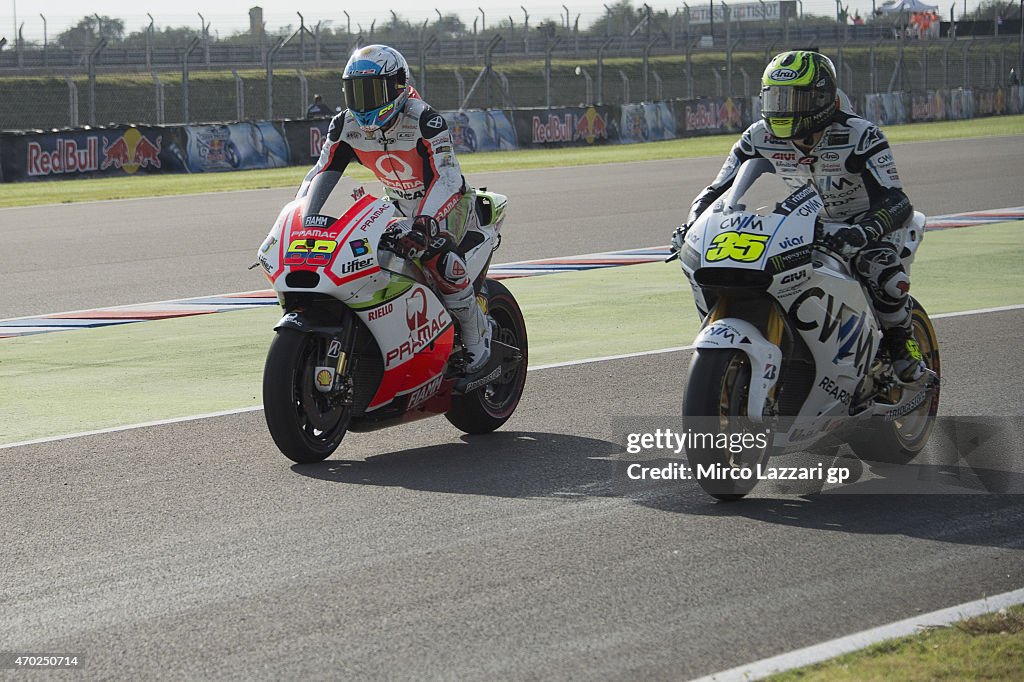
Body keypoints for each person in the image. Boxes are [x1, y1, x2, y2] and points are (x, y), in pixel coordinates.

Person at [671, 51, 925, 382]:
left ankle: (904, 345)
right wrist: (693, 223)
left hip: (865, 225)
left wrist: (863, 232)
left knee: (884, 275)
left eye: (793, 98)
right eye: (775, 97)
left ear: (821, 97)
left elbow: (896, 200)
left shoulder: (861, 135)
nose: (783, 108)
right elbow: (717, 189)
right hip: (805, 222)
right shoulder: (758, 135)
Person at [295, 45, 493, 374]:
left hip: (448, 206)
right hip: (397, 206)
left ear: (398, 86)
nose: (364, 102)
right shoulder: (344, 125)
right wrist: (303, 216)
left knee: (441, 259)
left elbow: (448, 177)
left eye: (373, 90)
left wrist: (426, 222)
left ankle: (477, 341)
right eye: (355, 92)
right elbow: (320, 174)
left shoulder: (424, 119)